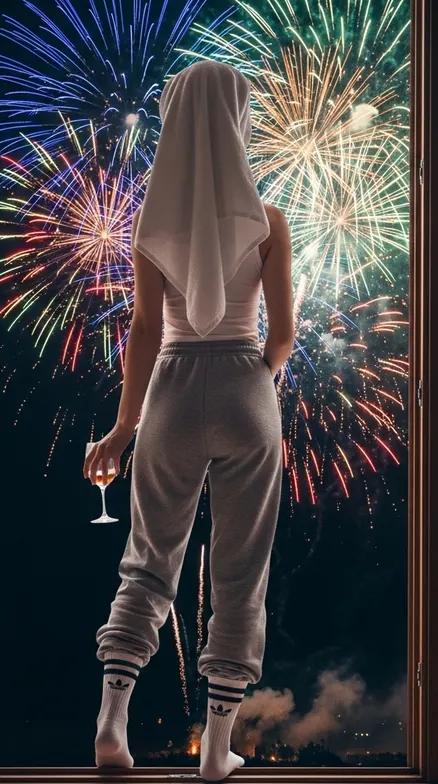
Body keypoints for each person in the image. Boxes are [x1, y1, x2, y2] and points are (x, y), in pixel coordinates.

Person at [83, 60, 294, 782]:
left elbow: (144, 329)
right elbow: (284, 337)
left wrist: (122, 428)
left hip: (171, 389)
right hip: (244, 384)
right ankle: (217, 747)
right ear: (236, 121)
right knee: (239, 574)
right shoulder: (268, 221)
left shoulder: (152, 222)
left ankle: (112, 726)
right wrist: (256, 392)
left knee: (149, 561)